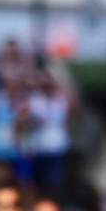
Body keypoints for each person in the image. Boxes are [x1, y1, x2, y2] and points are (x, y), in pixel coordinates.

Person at [28, 72, 74, 201]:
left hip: (57, 147)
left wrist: (60, 82)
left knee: (55, 183)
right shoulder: (34, 99)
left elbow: (74, 105)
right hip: (39, 148)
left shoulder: (61, 98)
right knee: (38, 184)